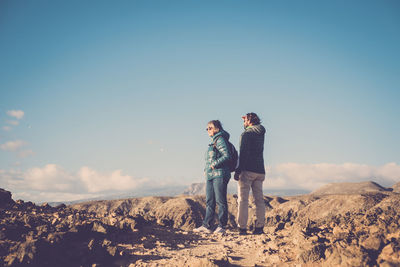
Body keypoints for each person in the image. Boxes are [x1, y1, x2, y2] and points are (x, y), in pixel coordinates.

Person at [194, 120, 231, 234]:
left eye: (210, 128)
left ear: (217, 128)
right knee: (210, 201)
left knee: (220, 201)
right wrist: (206, 170)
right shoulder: (213, 141)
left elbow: (227, 155)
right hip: (211, 175)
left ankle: (222, 226)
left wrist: (214, 164)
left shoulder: (220, 139)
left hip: (220, 174)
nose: (208, 130)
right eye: (207, 128)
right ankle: (207, 225)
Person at [234, 112, 266, 235]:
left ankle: (242, 228)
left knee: (243, 200)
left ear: (249, 121)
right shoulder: (261, 133)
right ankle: (259, 227)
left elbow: (243, 154)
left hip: (247, 170)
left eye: (244, 121)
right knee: (259, 200)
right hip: (260, 170)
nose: (243, 123)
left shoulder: (246, 134)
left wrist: (238, 170)